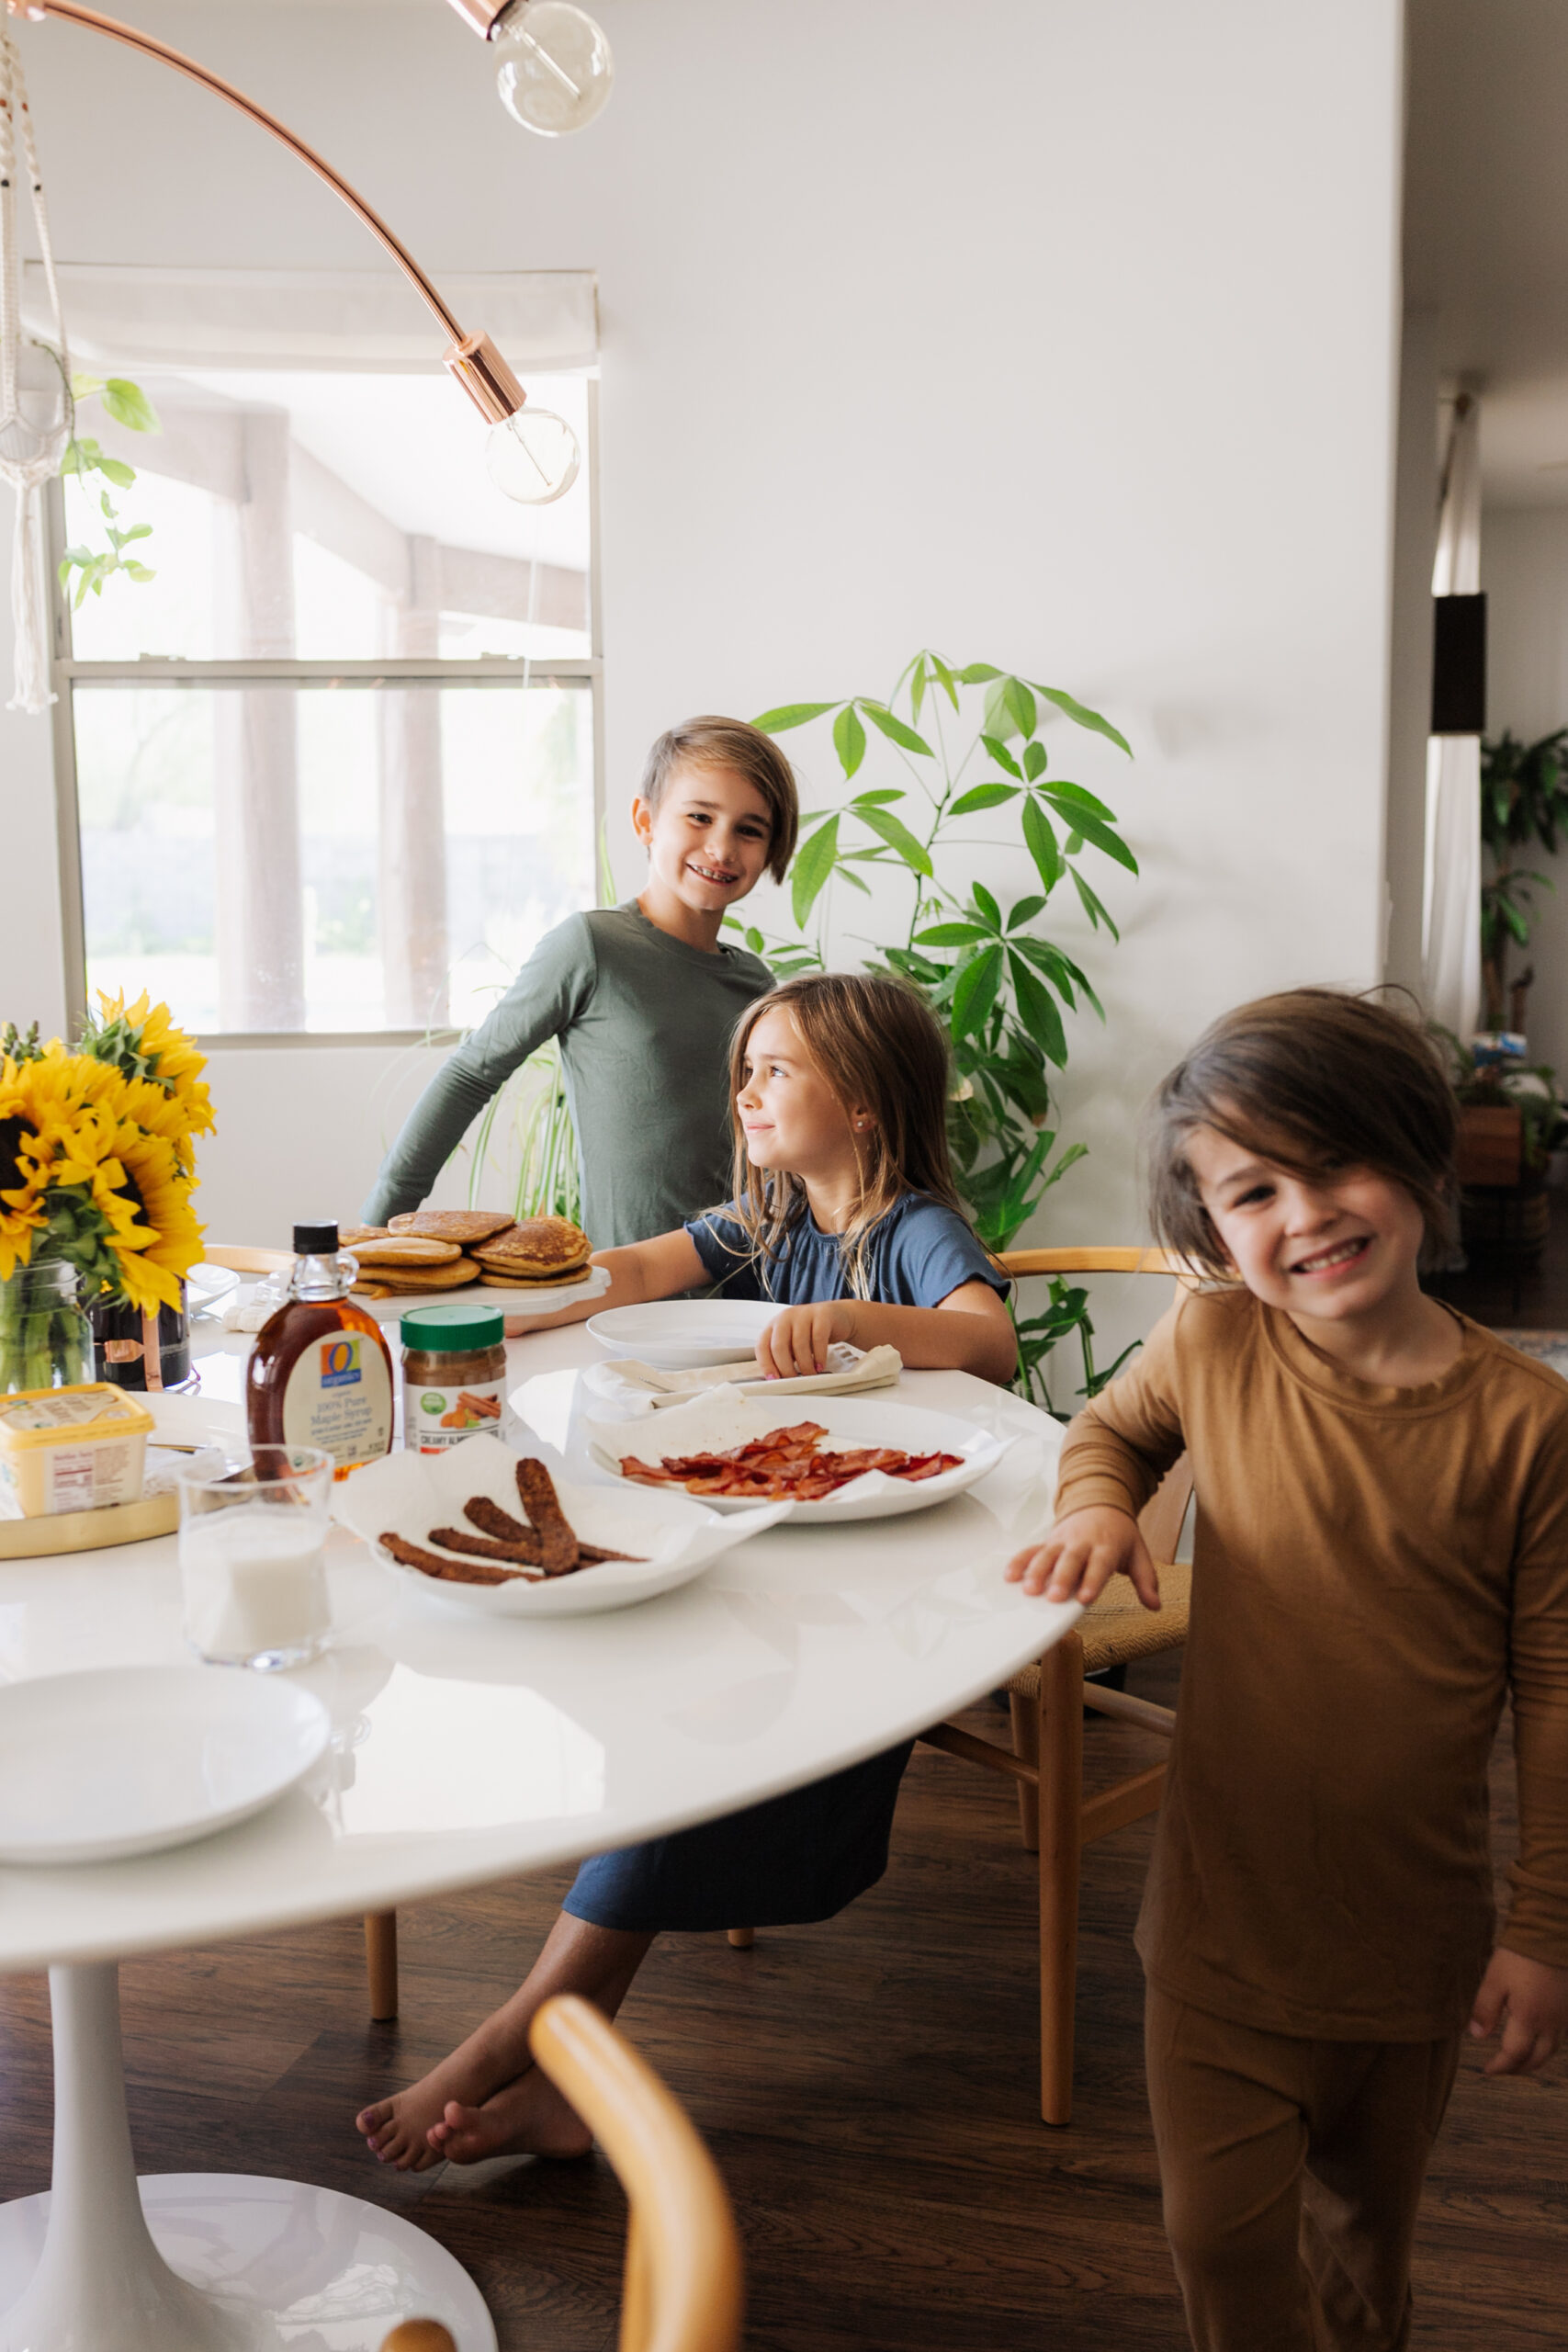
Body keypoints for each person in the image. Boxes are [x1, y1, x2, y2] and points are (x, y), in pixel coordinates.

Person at [355, 972, 1018, 2170]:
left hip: (875, 1605)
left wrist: (863, 1320)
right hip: (772, 1559)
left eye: (777, 1070)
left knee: (700, 1752)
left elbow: (986, 1337)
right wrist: (499, 1304)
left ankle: (528, 2027)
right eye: (746, 1069)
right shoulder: (765, 1221)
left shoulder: (906, 1228)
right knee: (662, 1705)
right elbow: (641, 1272)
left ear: (862, 1104)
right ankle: (560, 2057)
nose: (747, 1092)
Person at [1006, 989, 1568, 2352]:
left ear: (1417, 1154)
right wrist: (1093, 1507)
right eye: (1251, 1191)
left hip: (1407, 1949)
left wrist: (1541, 1926)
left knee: (1360, 2246)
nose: (1302, 1213)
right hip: (1216, 1929)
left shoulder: (1525, 1426)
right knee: (1217, 2238)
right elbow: (1108, 1433)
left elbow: (1554, 1688)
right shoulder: (1210, 1344)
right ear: (1209, 1231)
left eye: (1332, 1164)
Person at [362, 715, 798, 1246]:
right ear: (645, 820)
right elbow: (470, 1076)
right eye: (700, 817)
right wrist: (371, 1230)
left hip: (753, 1282)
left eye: (749, 830)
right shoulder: (593, 948)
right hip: (631, 1293)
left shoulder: (757, 983)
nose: (723, 848)